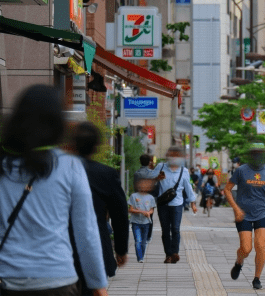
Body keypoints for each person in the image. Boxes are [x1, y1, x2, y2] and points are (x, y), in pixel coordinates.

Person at [0, 85, 108, 295]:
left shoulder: (2, 165)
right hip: (56, 280)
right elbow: (86, 232)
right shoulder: (69, 166)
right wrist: (98, 284)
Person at [72, 122, 130, 296]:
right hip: (95, 247)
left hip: (59, 249)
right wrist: (121, 249)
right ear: (97, 146)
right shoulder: (106, 174)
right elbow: (120, 215)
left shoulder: (56, 171)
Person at [224, 143, 265, 290]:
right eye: (254, 153)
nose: (257, 155)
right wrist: (236, 209)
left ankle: (257, 278)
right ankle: (239, 262)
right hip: (244, 214)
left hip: (262, 212)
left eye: (260, 153)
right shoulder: (241, 170)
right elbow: (227, 190)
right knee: (246, 248)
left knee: (260, 245)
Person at [151, 146, 198, 264]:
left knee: (175, 229)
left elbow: (188, 188)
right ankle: (168, 254)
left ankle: (175, 252)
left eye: (177, 156)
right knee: (165, 230)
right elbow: (149, 181)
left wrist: (193, 204)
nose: (174, 158)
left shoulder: (184, 171)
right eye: (172, 155)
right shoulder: (161, 167)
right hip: (163, 204)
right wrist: (157, 178)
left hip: (177, 204)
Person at [134, 154, 163, 243]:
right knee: (149, 216)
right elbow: (157, 186)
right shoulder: (153, 174)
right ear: (149, 162)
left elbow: (135, 187)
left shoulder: (137, 174)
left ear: (140, 161)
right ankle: (148, 236)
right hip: (151, 198)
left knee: (140, 215)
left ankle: (141, 233)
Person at [128, 178, 157, 263]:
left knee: (143, 242)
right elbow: (130, 210)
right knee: (138, 241)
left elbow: (152, 210)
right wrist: (141, 211)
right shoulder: (134, 196)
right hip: (135, 222)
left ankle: (141, 256)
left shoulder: (151, 197)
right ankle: (140, 257)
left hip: (146, 222)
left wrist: (149, 213)